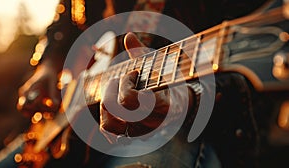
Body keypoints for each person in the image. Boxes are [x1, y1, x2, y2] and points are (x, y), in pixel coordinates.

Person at [14, 0, 287, 167]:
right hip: (54, 128)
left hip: (184, 135)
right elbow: (68, 18)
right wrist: (49, 63)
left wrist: (190, 99)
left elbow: (242, 92)